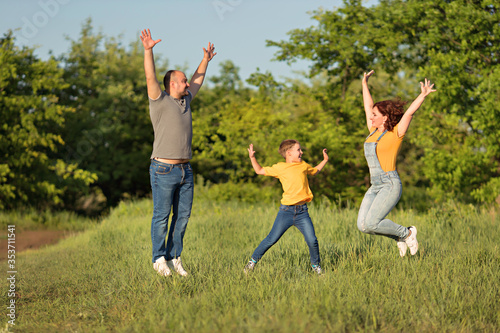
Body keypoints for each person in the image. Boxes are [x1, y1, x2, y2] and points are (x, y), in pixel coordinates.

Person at [140, 29, 216, 277]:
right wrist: (148, 50)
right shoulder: (159, 100)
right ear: (172, 84)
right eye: (182, 80)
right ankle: (158, 259)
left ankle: (175, 258)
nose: (187, 83)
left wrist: (205, 60)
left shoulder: (186, 101)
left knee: (182, 218)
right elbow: (150, 76)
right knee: (162, 217)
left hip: (186, 170)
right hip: (163, 169)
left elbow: (197, 80)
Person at [357, 70, 436, 257]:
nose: (371, 117)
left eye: (375, 115)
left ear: (385, 117)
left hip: (390, 184)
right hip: (375, 185)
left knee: (372, 222)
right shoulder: (372, 131)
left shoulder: (396, 133)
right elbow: (368, 106)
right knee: (363, 226)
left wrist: (422, 95)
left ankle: (407, 233)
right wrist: (364, 84)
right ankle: (400, 236)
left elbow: (409, 113)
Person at [244, 140, 329, 275]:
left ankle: (316, 267)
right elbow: (259, 170)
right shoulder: (280, 167)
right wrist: (252, 158)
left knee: (312, 240)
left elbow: (315, 171)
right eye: (298, 150)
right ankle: (252, 262)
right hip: (286, 212)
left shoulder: (303, 166)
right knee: (271, 239)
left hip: (302, 212)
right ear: (289, 153)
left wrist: (325, 160)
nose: (301, 152)